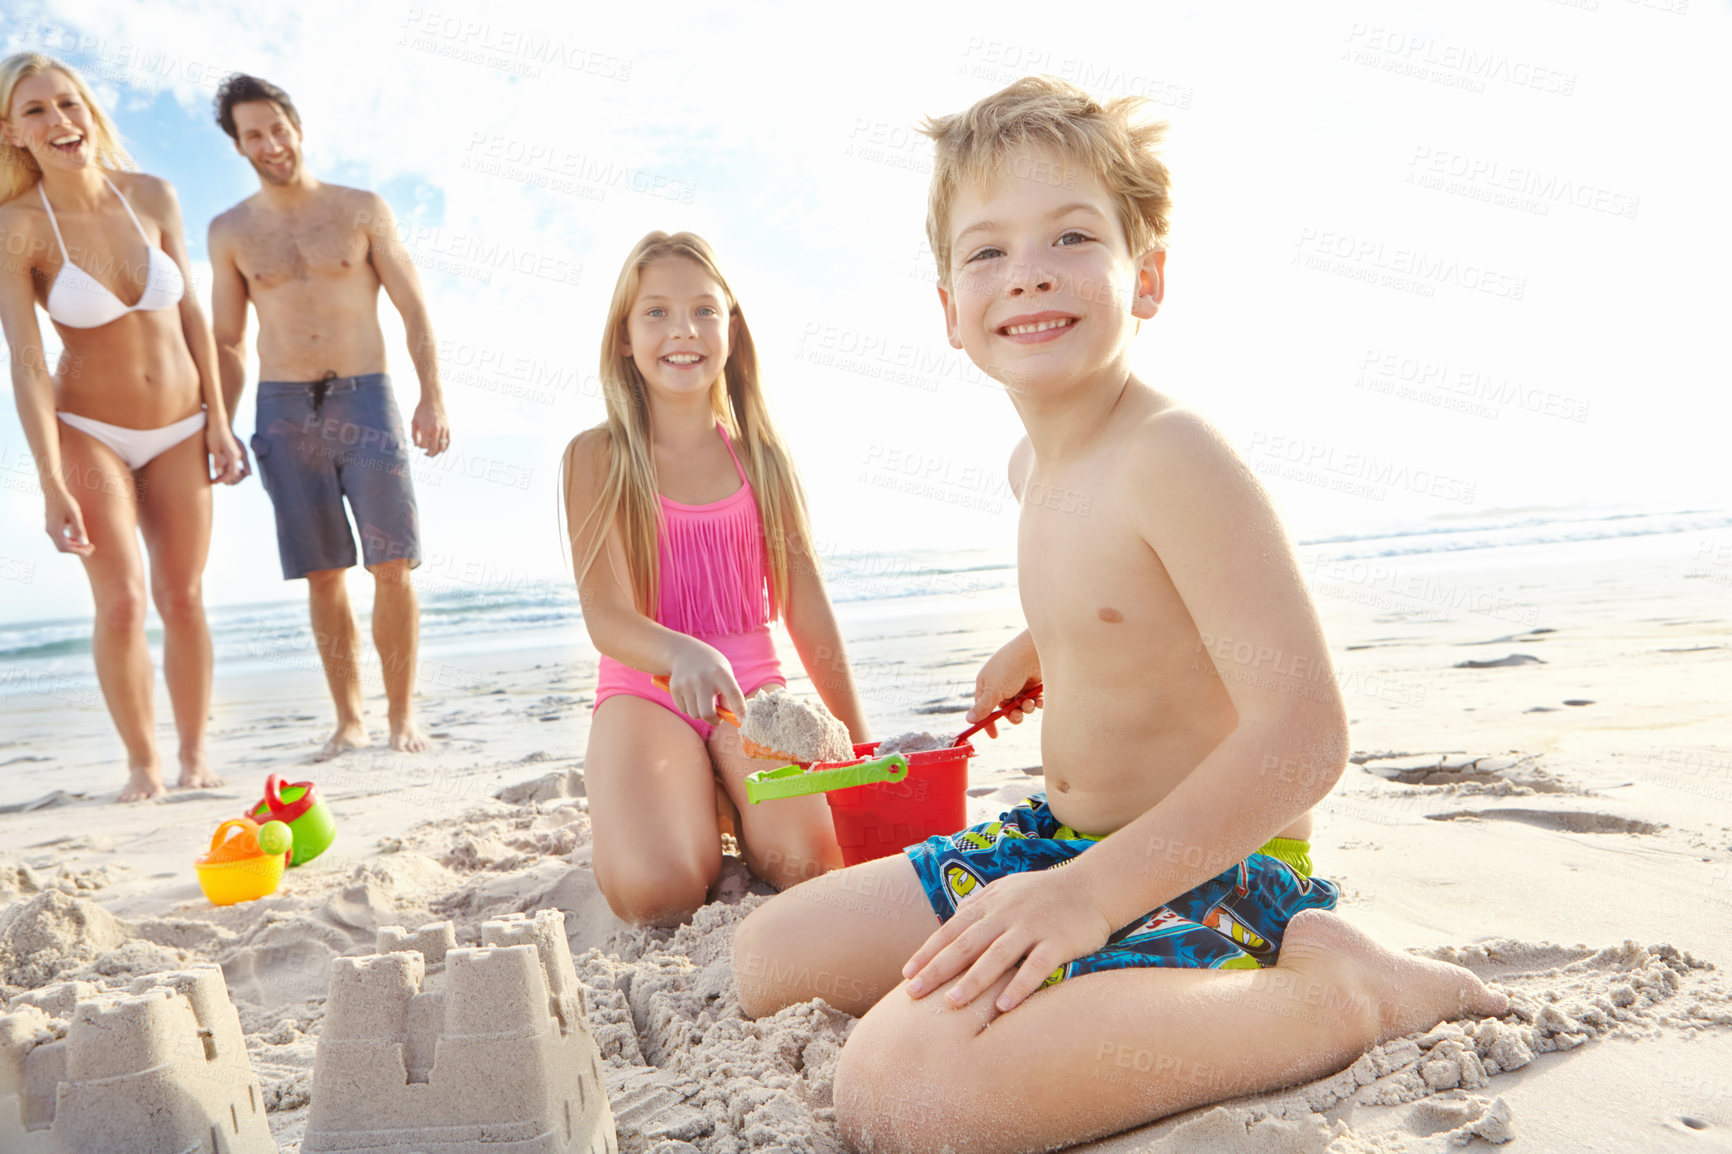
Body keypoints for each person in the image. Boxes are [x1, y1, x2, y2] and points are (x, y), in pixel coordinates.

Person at [731, 77, 1508, 1154]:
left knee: (904, 1088)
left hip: (1210, 869)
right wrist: (1045, 644)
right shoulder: (1033, 463)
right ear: (950, 310)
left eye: (1070, 235)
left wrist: (1090, 898)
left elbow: (1304, 734)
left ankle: (1340, 991)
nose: (1029, 271)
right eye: (986, 251)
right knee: (768, 958)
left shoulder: (1172, 456)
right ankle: (1079, 977)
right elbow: (1133, 607)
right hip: (1063, 845)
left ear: (1144, 277)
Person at [562, 231, 870, 926]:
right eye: (657, 313)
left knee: (814, 866)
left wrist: (857, 745)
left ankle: (729, 795)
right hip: (646, 689)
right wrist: (681, 653)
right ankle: (686, 796)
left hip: (754, 696)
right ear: (624, 338)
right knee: (658, 892)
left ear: (732, 330)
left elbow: (807, 607)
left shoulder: (763, 458)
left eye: (704, 311)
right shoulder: (595, 456)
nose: (684, 331)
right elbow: (605, 617)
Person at [0, 53, 246, 802]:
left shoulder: (152, 195)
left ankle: (195, 754)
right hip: (88, 431)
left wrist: (219, 422)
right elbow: (28, 361)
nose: (57, 121)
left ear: (88, 112)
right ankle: (143, 763)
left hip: (182, 425)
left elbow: (194, 315)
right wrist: (49, 481)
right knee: (123, 603)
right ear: (12, 133)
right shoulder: (15, 227)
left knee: (184, 598)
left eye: (66, 103)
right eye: (35, 111)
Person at [207, 74, 450, 760]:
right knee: (320, 573)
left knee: (394, 562)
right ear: (239, 145)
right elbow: (227, 340)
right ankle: (349, 721)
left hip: (366, 395)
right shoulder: (230, 230)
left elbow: (413, 306)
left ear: (298, 128)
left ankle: (402, 716)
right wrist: (219, 424)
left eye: (277, 128)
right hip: (282, 405)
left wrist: (432, 394)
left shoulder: (361, 208)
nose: (270, 143)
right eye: (253, 134)